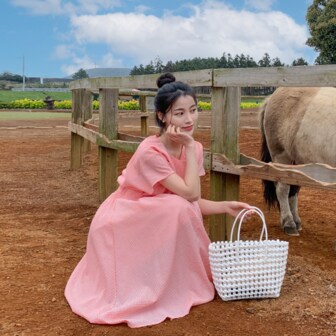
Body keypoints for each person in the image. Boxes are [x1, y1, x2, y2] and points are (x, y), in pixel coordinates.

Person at [65, 73, 251, 328]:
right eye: (179, 113)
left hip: (156, 214)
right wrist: (188, 146)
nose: (189, 120)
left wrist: (224, 206)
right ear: (163, 116)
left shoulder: (192, 147)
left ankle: (173, 280)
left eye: (194, 110)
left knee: (177, 207)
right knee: (177, 206)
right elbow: (189, 196)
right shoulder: (150, 151)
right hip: (124, 218)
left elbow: (186, 201)